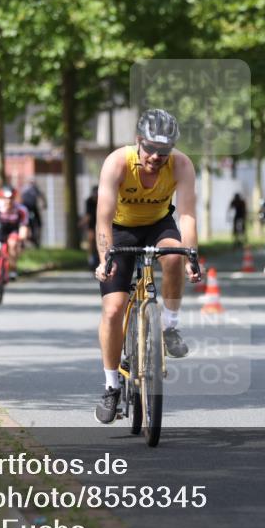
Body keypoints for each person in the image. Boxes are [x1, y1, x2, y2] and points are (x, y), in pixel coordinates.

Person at [93, 108, 201, 424]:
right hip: (120, 229)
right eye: (151, 147)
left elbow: (187, 215)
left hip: (158, 225)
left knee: (174, 257)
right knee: (113, 309)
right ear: (139, 140)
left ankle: (169, 326)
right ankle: (111, 386)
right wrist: (104, 259)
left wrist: (192, 255)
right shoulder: (117, 163)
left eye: (164, 150)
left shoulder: (182, 165)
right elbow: (103, 219)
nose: (156, 156)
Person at [0, 184, 30, 289]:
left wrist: (22, 239)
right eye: (5, 198)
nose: (8, 201)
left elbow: (24, 226)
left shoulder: (21, 210)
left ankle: (12, 268)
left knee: (13, 244)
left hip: (14, 229)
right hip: (0, 229)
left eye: (10, 199)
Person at [20, 179, 47, 247]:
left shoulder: (24, 189)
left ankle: (32, 239)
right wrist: (44, 204)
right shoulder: (33, 189)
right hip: (29, 209)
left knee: (31, 224)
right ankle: (30, 239)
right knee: (33, 224)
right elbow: (42, 195)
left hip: (29, 209)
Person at [81, 185, 100, 270]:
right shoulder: (89, 201)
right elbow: (88, 215)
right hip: (92, 224)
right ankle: (91, 259)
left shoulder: (103, 200)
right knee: (91, 240)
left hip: (101, 223)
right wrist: (82, 223)